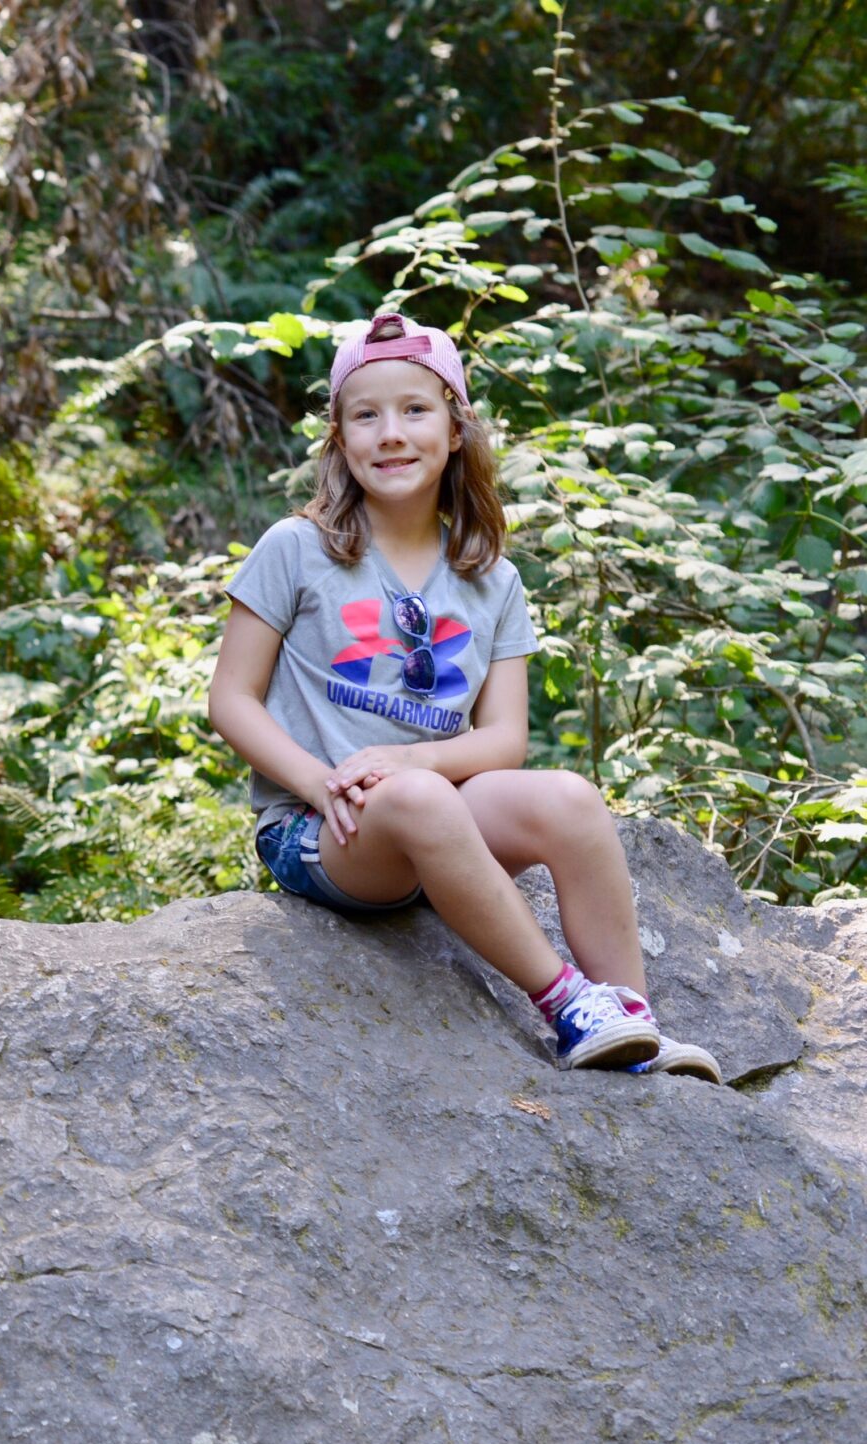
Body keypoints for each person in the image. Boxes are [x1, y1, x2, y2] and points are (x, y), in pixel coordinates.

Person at [206, 311, 721, 1082]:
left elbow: (503, 739)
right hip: (325, 831)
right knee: (418, 797)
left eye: (415, 410)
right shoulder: (298, 548)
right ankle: (567, 1004)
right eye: (365, 414)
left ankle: (632, 1023)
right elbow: (231, 700)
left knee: (571, 798)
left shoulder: (490, 578)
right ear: (340, 438)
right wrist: (321, 781)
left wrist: (407, 756)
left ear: (455, 430)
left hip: (436, 828)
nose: (391, 433)